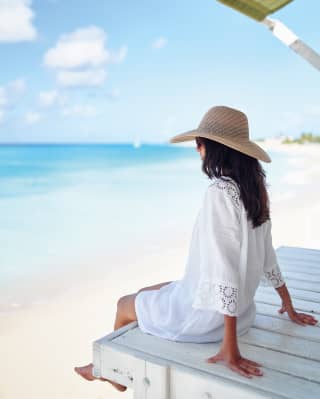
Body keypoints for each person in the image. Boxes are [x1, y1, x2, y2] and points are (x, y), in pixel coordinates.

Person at [74, 105, 318, 390]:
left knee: (123, 304)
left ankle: (110, 372)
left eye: (198, 143)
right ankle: (110, 368)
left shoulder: (220, 192)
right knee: (149, 292)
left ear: (214, 148)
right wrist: (287, 303)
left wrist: (231, 348)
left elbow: (224, 266)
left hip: (208, 321)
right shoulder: (255, 189)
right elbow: (267, 254)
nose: (195, 149)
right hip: (241, 316)